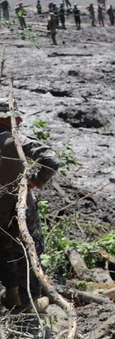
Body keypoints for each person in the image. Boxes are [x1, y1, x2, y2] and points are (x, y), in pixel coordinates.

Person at [0, 98, 59, 312]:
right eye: (16, 117)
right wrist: (35, 180)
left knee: (4, 248)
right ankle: (31, 302)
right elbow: (51, 160)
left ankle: (12, 293)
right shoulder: (14, 140)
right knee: (29, 247)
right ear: (5, 119)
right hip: (18, 206)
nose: (21, 120)